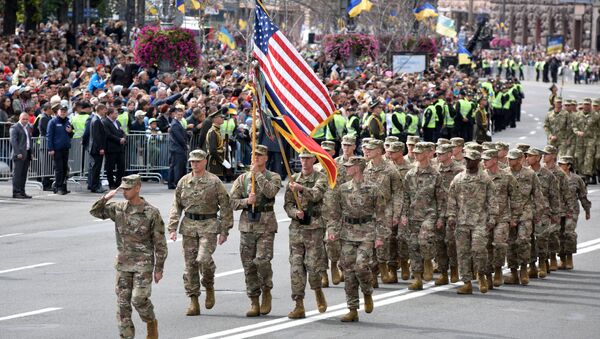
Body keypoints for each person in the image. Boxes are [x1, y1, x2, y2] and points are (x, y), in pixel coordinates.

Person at [89, 174, 167, 339]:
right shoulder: (118, 208)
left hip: (143, 264)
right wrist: (105, 198)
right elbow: (95, 211)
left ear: (137, 188)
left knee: (139, 299)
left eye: (128, 189)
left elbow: (160, 243)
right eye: (123, 189)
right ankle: (126, 336)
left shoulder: (151, 212)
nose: (124, 192)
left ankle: (151, 321)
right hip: (123, 264)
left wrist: (159, 268)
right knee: (123, 304)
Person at [167, 150, 233, 316]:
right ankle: (193, 300)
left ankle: (209, 284)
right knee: (190, 266)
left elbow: (225, 206)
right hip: (189, 226)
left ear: (205, 161)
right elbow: (176, 206)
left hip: (209, 225)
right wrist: (172, 228)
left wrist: (225, 230)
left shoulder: (214, 181)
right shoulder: (184, 181)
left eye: (197, 161)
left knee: (203, 259)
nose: (194, 164)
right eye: (192, 162)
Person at [326, 156, 387, 322]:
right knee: (349, 271)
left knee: (361, 266)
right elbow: (334, 214)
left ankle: (367, 292)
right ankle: (352, 309)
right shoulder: (343, 189)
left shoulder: (373, 189)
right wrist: (332, 230)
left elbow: (381, 215)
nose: (346, 168)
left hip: (367, 233)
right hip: (347, 233)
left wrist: (380, 236)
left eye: (350, 166)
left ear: (358, 168)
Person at [230, 145, 282, 317]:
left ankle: (266, 290)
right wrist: (246, 201)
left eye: (260, 155)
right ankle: (253, 300)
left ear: (266, 158)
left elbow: (270, 192)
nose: (257, 158)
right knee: (249, 265)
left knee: (262, 261)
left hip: (266, 225)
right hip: (247, 225)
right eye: (254, 155)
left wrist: (257, 175)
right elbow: (231, 202)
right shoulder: (243, 179)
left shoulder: (273, 176)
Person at [284, 149, 328, 319]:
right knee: (296, 267)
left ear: (313, 160)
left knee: (313, 266)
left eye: (308, 159)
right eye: (302, 158)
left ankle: (317, 291)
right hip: (296, 229)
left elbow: (317, 195)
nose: (304, 162)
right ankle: (298, 304)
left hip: (314, 228)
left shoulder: (320, 178)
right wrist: (295, 213)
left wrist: (301, 188)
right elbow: (287, 205)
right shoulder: (293, 179)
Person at [447, 149, 498, 294]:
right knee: (462, 253)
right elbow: (452, 199)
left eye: (470, 160)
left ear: (477, 161)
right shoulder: (458, 178)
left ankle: (481, 276)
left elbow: (492, 200)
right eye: (466, 159)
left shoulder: (485, 179)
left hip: (480, 222)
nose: (467, 162)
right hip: (462, 222)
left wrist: (492, 218)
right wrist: (451, 216)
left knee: (479, 250)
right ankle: (467, 282)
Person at [401, 142, 444, 290]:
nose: (415, 154)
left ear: (427, 154)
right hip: (413, 215)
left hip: (429, 214)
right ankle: (417, 278)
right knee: (413, 245)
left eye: (419, 152)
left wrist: (440, 217)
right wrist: (404, 215)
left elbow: (440, 198)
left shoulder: (435, 174)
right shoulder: (410, 174)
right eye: (415, 152)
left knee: (424, 240)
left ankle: (427, 260)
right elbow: (405, 196)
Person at [363, 139, 403, 285]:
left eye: (370, 149)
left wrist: (396, 213)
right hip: (369, 211)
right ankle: (373, 273)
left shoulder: (390, 169)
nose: (366, 151)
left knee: (383, 242)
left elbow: (398, 192)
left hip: (386, 210)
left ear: (379, 151)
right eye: (366, 149)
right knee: (369, 242)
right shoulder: (365, 168)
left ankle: (383, 266)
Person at [482, 149, 522, 288]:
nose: (484, 162)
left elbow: (516, 197)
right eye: (483, 159)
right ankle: (488, 275)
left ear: (495, 160)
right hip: (485, 219)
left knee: (499, 244)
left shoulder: (507, 176)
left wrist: (515, 217)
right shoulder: (481, 177)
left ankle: (498, 270)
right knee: (486, 247)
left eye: (487, 159)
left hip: (502, 217)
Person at [505, 149, 544, 285]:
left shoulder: (530, 174)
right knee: (510, 244)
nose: (509, 161)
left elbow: (538, 195)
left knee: (523, 241)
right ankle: (513, 272)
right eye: (508, 159)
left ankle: (523, 269)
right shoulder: (505, 174)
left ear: (520, 159)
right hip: (508, 214)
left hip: (525, 213)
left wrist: (538, 213)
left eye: (513, 159)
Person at [526, 148, 560, 279]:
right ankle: (532, 265)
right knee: (528, 240)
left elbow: (554, 196)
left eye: (530, 156)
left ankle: (542, 263)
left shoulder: (548, 175)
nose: (527, 158)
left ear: (538, 158)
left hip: (543, 212)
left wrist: (555, 213)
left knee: (542, 239)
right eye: (527, 156)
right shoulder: (526, 174)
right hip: (528, 212)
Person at [434, 143, 465, 285]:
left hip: (454, 212)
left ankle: (454, 269)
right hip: (438, 211)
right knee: (439, 242)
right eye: (438, 153)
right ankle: (443, 272)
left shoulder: (459, 170)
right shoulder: (434, 171)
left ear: (449, 154)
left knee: (451, 242)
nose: (439, 156)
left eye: (442, 153)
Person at [558, 156, 591, 269]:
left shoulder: (577, 179)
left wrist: (587, 210)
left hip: (572, 210)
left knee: (569, 233)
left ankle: (569, 258)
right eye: (559, 163)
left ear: (569, 166)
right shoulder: (555, 177)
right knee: (559, 234)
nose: (560, 166)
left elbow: (582, 195)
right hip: (558, 210)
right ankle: (562, 259)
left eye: (562, 164)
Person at [46, 103, 74, 195]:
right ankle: (58, 187)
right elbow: (49, 136)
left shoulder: (68, 121)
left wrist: (70, 132)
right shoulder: (53, 122)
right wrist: (50, 149)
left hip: (65, 148)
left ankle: (63, 186)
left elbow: (71, 135)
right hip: (56, 149)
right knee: (59, 169)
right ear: (57, 112)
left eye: (64, 111)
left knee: (64, 168)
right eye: (61, 111)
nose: (63, 113)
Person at [102, 107, 127, 189]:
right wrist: (118, 139)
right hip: (111, 148)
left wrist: (123, 138)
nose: (117, 115)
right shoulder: (105, 122)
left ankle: (118, 183)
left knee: (121, 166)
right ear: (110, 114)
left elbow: (122, 132)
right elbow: (108, 134)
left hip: (120, 148)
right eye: (115, 113)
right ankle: (111, 183)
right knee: (110, 167)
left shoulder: (118, 122)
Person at [9, 112, 32, 199]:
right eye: (23, 119)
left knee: (24, 174)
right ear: (19, 118)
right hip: (19, 155)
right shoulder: (14, 127)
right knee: (17, 174)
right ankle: (16, 192)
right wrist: (17, 153)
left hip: (27, 153)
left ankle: (22, 191)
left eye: (27, 119)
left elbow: (29, 140)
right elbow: (13, 142)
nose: (25, 121)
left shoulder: (27, 127)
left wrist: (31, 152)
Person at [87, 104, 108, 193]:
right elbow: (97, 136)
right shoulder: (96, 120)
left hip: (95, 148)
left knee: (95, 168)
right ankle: (94, 186)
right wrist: (100, 148)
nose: (105, 111)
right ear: (100, 110)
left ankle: (93, 184)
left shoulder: (96, 119)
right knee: (96, 168)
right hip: (96, 149)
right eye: (104, 110)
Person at [167, 107, 188, 189]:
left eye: (181, 115)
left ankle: (171, 183)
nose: (180, 116)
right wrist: (185, 145)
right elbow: (179, 138)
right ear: (175, 114)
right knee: (177, 167)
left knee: (174, 166)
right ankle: (175, 182)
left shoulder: (177, 122)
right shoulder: (175, 124)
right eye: (178, 114)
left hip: (176, 148)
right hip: (177, 148)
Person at [206, 109, 226, 177]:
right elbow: (212, 150)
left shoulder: (217, 130)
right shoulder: (213, 132)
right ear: (215, 119)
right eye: (221, 117)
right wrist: (221, 161)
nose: (223, 118)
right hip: (214, 161)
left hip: (217, 159)